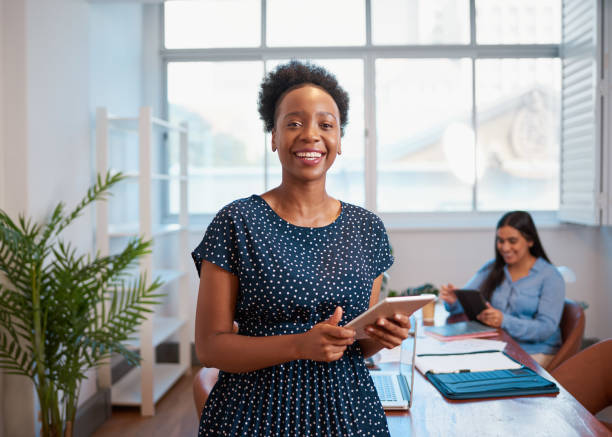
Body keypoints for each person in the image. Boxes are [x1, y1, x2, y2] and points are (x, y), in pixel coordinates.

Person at [192, 60, 409, 436]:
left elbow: (354, 344)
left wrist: (381, 336)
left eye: (326, 125)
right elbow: (210, 348)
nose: (311, 135)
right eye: (294, 123)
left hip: (349, 413)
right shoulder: (237, 222)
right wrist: (298, 345)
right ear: (273, 136)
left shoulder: (367, 229)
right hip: (254, 414)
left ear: (339, 141)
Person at [439, 210, 565, 368]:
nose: (505, 247)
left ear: (530, 241)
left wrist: (504, 321)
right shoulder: (492, 268)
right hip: (498, 345)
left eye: (512, 241)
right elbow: (463, 302)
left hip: (534, 352)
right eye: (500, 240)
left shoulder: (550, 276)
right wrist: (454, 300)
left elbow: (545, 328)